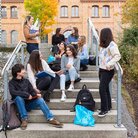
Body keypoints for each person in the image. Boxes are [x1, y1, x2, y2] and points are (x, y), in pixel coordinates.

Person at [9, 64, 63, 130]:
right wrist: (27, 95)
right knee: (18, 98)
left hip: (28, 105)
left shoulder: (26, 81)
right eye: (23, 70)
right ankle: (24, 119)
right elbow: (13, 92)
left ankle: (50, 118)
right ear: (18, 72)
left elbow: (32, 91)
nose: (25, 71)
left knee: (40, 100)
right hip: (19, 106)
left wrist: (35, 95)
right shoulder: (11, 83)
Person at [98, 28, 121, 117]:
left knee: (102, 89)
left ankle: (104, 109)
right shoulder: (104, 45)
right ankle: (108, 106)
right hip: (101, 69)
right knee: (106, 88)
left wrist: (109, 64)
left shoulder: (112, 44)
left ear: (104, 35)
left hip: (108, 70)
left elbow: (117, 56)